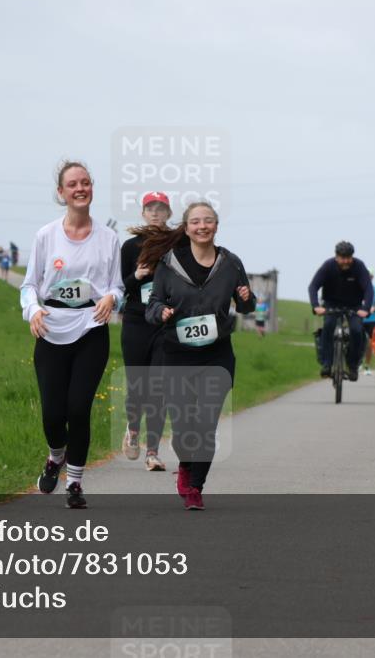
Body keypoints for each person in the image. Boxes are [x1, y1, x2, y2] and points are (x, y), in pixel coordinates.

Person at [20, 160, 124, 509]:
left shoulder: (109, 238)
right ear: (61, 193)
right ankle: (55, 456)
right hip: (51, 329)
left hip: (91, 329)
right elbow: (29, 285)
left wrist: (112, 297)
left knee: (78, 409)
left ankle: (75, 484)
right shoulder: (46, 236)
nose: (81, 189)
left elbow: (117, 286)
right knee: (53, 413)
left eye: (86, 182)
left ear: (91, 188)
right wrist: (33, 310)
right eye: (73, 184)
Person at [143, 202, 256, 510]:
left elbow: (247, 306)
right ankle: (186, 464)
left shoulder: (231, 263)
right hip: (177, 354)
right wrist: (161, 312)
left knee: (205, 424)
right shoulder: (169, 263)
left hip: (216, 355)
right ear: (187, 227)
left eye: (208, 221)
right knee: (181, 429)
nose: (202, 226)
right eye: (196, 221)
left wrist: (246, 299)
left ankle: (195, 486)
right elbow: (152, 304)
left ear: (216, 226)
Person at [119, 191, 171, 471]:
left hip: (163, 323)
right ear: (142, 213)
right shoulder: (130, 247)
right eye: (150, 208)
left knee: (158, 388)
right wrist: (136, 277)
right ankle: (133, 428)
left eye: (160, 208)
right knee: (138, 385)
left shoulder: (177, 245)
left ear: (168, 214)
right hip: (136, 320)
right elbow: (116, 287)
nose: (155, 213)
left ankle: (152, 452)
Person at [307, 241, 373, 382]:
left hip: (354, 306)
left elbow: (368, 288)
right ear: (336, 257)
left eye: (348, 257)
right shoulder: (328, 266)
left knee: (356, 331)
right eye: (342, 258)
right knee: (328, 327)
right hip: (331, 304)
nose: (345, 261)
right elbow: (313, 286)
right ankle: (327, 364)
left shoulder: (359, 266)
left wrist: (366, 308)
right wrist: (316, 306)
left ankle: (353, 365)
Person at [362, 272, 375, 375]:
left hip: (371, 320)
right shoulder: (358, 287)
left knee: (370, 344)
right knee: (358, 342)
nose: (368, 278)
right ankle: (357, 363)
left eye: (370, 276)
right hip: (359, 319)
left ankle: (367, 366)